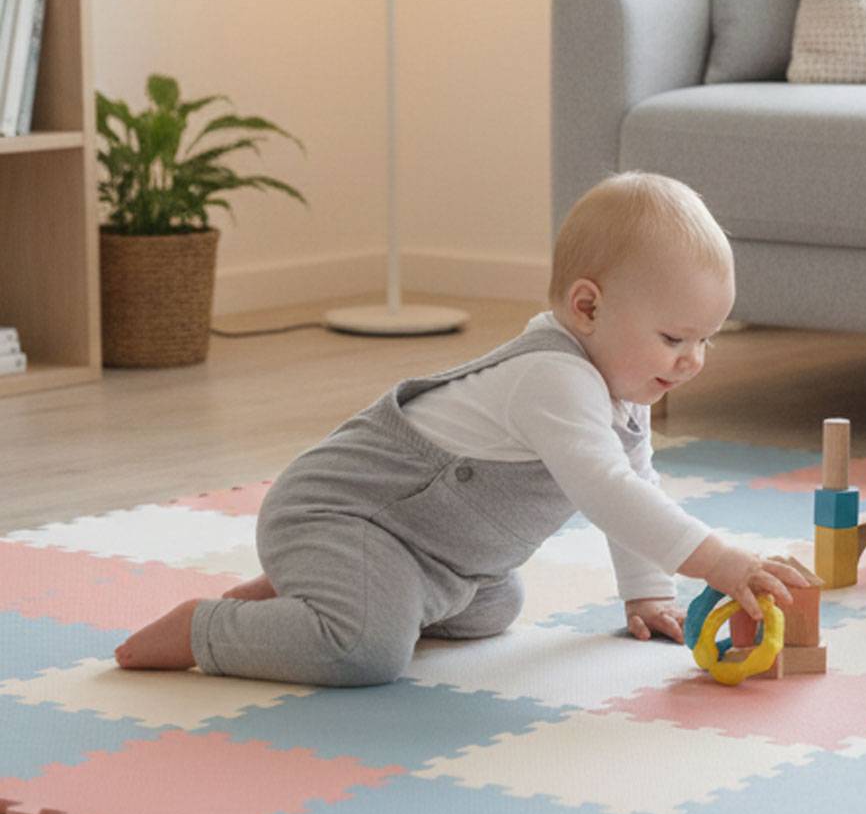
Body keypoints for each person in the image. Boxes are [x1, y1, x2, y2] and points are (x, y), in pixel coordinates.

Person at [114, 172, 803, 684]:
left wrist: (648, 590)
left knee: (495, 606)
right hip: (343, 512)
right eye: (676, 337)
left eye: (707, 340)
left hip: (431, 555)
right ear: (587, 307)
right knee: (367, 654)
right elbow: (607, 490)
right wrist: (718, 561)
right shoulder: (553, 377)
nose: (694, 361)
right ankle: (206, 629)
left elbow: (636, 480)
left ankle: (319, 591)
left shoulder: (623, 382)